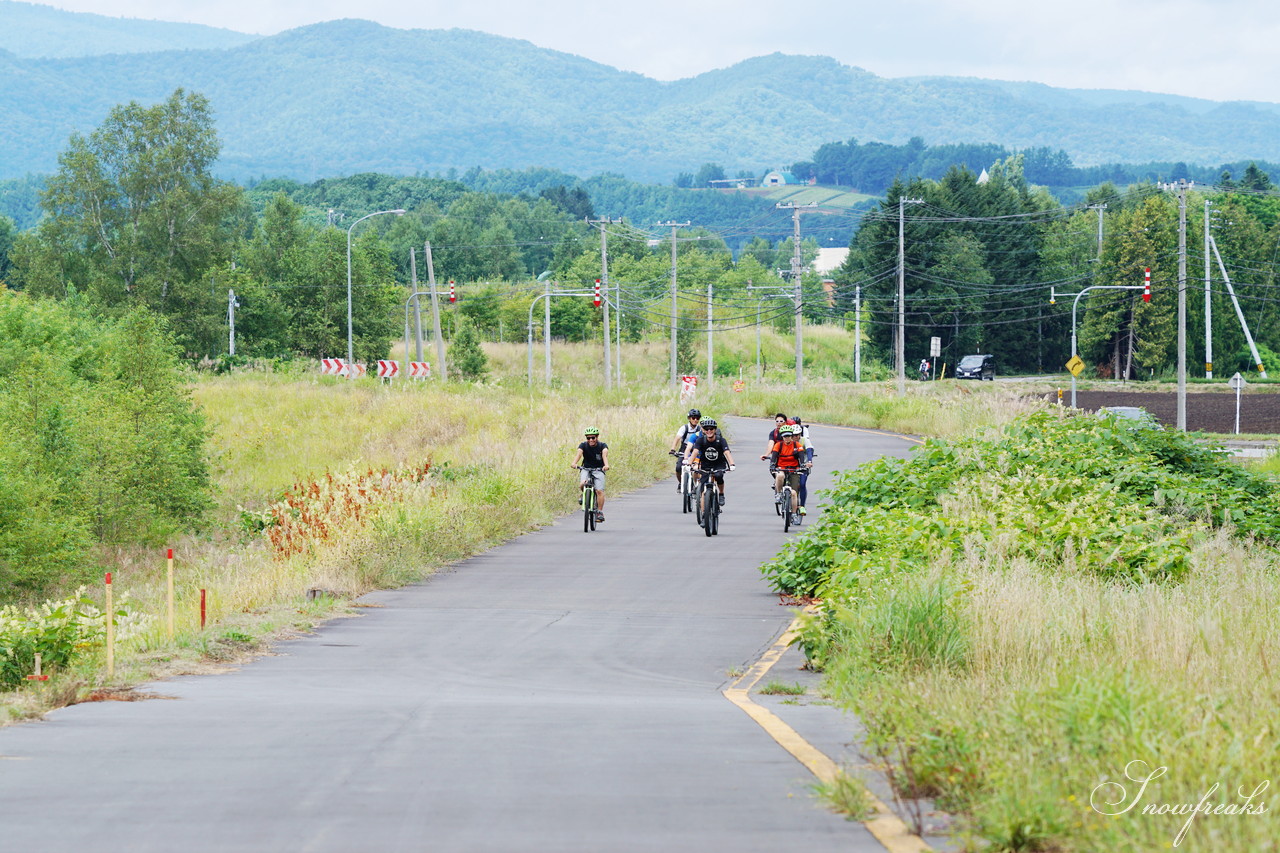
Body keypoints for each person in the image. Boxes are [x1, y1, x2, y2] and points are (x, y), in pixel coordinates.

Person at [684, 418, 735, 515]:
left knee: (719, 476)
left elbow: (727, 452)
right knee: (703, 489)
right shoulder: (700, 440)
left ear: (715, 430)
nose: (709, 431)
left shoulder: (721, 440)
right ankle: (704, 514)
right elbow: (695, 452)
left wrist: (732, 464)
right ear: (703, 430)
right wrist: (689, 464)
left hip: (718, 464)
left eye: (711, 429)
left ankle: (721, 494)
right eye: (706, 429)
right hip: (705, 465)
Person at [768, 425, 810, 519]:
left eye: (789, 436)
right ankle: (778, 494)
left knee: (794, 493)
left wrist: (802, 464)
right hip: (781, 468)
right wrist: (772, 464)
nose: (787, 438)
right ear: (782, 437)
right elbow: (774, 456)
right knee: (779, 476)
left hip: (794, 469)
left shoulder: (797, 445)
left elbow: (801, 456)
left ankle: (794, 513)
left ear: (791, 436)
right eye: (785, 436)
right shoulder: (779, 445)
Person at [571, 427, 610, 522]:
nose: (591, 440)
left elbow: (604, 455)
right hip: (586, 469)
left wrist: (606, 465)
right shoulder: (583, 445)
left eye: (593, 438)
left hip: (598, 469)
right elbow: (579, 454)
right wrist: (574, 463)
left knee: (599, 491)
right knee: (583, 483)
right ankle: (584, 496)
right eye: (588, 438)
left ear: (597, 437)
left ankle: (599, 512)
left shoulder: (602, 445)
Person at [669, 408, 702, 491]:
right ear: (689, 418)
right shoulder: (684, 428)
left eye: (697, 418)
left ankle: (696, 485)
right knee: (678, 467)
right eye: (693, 418)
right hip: (684, 449)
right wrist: (673, 449)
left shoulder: (700, 429)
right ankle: (681, 483)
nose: (695, 420)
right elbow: (677, 438)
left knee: (697, 468)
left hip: (696, 449)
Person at [792, 416, 814, 515]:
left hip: (803, 465)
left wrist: (809, 461)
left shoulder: (804, 440)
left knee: (802, 484)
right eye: (794, 435)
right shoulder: (788, 441)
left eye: (797, 435)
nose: (796, 437)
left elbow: (809, 450)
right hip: (791, 466)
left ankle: (802, 506)